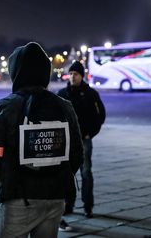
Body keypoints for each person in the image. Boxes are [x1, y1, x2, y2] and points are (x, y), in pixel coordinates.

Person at [0, 42, 83, 238]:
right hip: (54, 198)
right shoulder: (64, 106)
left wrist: (1, 192)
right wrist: (57, 179)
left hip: (19, 197)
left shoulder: (5, 107)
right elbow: (77, 154)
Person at [58, 61, 106, 219]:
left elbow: (100, 115)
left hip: (84, 139)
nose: (72, 76)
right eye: (70, 73)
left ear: (81, 76)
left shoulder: (90, 93)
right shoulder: (62, 94)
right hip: (67, 141)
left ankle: (88, 206)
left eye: (76, 74)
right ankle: (68, 204)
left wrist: (90, 134)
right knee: (68, 173)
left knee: (86, 172)